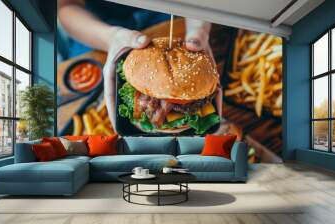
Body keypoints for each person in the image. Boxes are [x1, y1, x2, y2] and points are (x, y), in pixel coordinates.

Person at [58, 0, 222, 129]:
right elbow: (66, 6)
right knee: (79, 93)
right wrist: (111, 37)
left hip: (166, 11)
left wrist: (198, 27)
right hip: (96, 24)